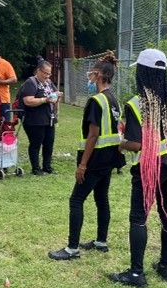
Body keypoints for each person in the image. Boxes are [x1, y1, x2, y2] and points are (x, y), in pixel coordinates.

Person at [109, 49, 167, 288]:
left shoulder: (136, 103)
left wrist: (120, 145)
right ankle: (165, 265)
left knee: (139, 219)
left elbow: (135, 143)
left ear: (142, 73)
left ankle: (136, 274)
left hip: (149, 168)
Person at [48, 51, 124, 261]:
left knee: (76, 200)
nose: (89, 77)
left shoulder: (96, 101)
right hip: (109, 159)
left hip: (96, 159)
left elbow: (93, 135)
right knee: (102, 199)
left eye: (92, 74)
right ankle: (101, 241)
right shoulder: (113, 99)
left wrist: (83, 164)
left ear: (100, 75)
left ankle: (72, 249)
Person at [18, 57, 63, 175]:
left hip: (49, 119)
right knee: (36, 143)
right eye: (45, 73)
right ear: (38, 71)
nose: (47, 76)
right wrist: (45, 100)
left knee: (49, 143)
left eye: (49, 74)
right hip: (34, 120)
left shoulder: (48, 83)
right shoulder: (31, 82)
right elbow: (28, 101)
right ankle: (36, 168)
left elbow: (53, 96)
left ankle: (47, 166)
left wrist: (57, 96)